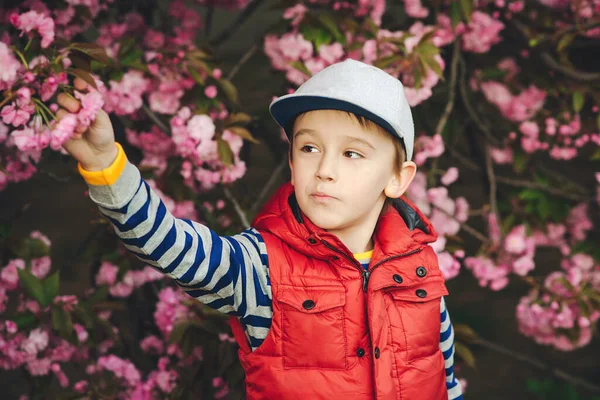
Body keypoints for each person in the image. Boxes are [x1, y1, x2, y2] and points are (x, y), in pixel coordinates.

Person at [58, 59, 463, 400]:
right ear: (291, 162)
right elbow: (170, 244)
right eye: (309, 148)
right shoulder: (259, 266)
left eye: (352, 153)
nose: (324, 170)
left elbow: (443, 378)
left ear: (398, 177)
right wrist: (105, 167)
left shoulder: (419, 271)